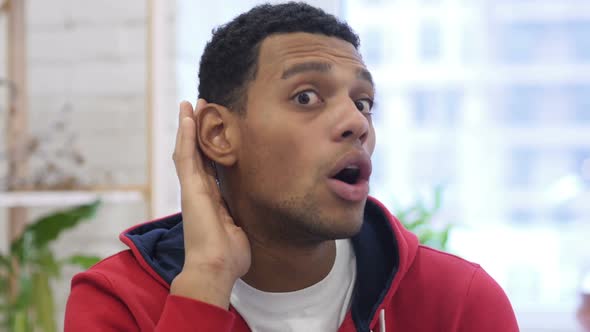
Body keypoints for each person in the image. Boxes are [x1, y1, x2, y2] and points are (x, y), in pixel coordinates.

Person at [65, 2, 519, 331]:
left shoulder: (458, 303)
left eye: (363, 102)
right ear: (218, 134)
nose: (356, 123)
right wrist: (206, 281)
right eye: (307, 97)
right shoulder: (117, 303)